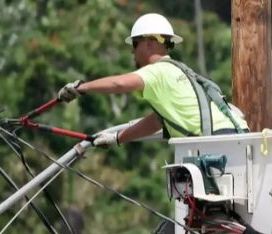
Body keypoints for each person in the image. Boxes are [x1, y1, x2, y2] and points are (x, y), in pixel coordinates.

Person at [56, 13, 248, 148]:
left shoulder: (157, 72)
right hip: (237, 137)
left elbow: (119, 84)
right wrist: (116, 138)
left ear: (148, 43)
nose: (132, 51)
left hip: (217, 141)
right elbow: (157, 121)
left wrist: (81, 88)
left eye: (134, 44)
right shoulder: (179, 71)